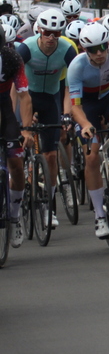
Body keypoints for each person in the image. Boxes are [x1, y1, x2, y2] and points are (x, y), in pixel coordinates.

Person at [67, 23, 109, 239]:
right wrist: (86, 124)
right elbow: (75, 106)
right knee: (92, 155)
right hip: (87, 105)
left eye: (102, 47)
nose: (99, 53)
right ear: (84, 50)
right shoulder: (76, 66)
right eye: (93, 49)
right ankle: (99, 216)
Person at [17, 9, 78, 228]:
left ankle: (49, 207)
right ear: (39, 31)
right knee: (22, 142)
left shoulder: (67, 49)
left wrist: (68, 114)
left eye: (56, 33)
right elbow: (16, 85)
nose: (51, 37)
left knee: (51, 155)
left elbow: (73, 84)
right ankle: (23, 175)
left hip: (52, 97)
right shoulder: (26, 48)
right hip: (28, 96)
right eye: (47, 33)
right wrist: (23, 114)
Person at [0, 28, 35, 249]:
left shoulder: (11, 57)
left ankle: (14, 215)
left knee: (16, 165)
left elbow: (24, 96)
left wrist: (27, 130)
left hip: (4, 108)